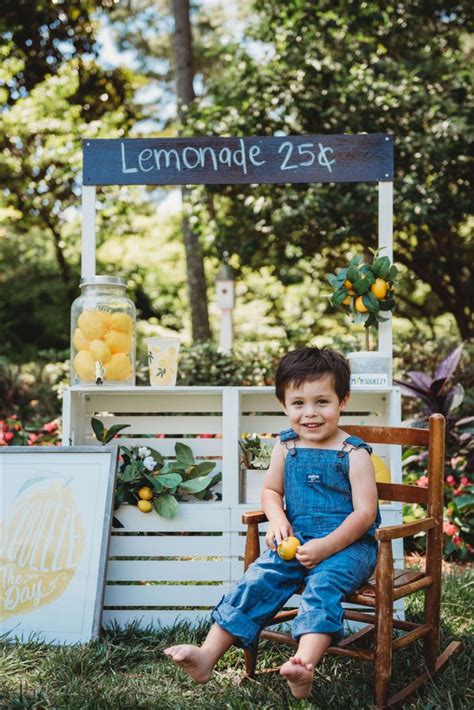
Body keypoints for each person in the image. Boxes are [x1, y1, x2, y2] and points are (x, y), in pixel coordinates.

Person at [164, 346, 379, 699]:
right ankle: (206, 655)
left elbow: (364, 514)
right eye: (298, 403)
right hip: (297, 539)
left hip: (349, 547)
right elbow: (270, 490)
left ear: (343, 400)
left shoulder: (354, 454)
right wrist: (277, 519)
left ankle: (303, 664)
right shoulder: (286, 445)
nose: (310, 413)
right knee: (258, 577)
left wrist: (327, 546)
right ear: (284, 405)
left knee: (322, 585)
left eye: (322, 402)